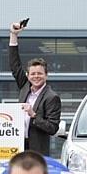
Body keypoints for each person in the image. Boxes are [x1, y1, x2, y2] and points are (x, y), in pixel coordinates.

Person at [9, 21, 60, 155]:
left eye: (39, 73)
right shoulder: (25, 87)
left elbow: (53, 128)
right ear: (28, 75)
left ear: (46, 75)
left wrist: (33, 115)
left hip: (37, 151)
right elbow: (15, 66)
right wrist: (13, 35)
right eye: (33, 74)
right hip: (19, 146)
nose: (36, 76)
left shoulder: (51, 97)